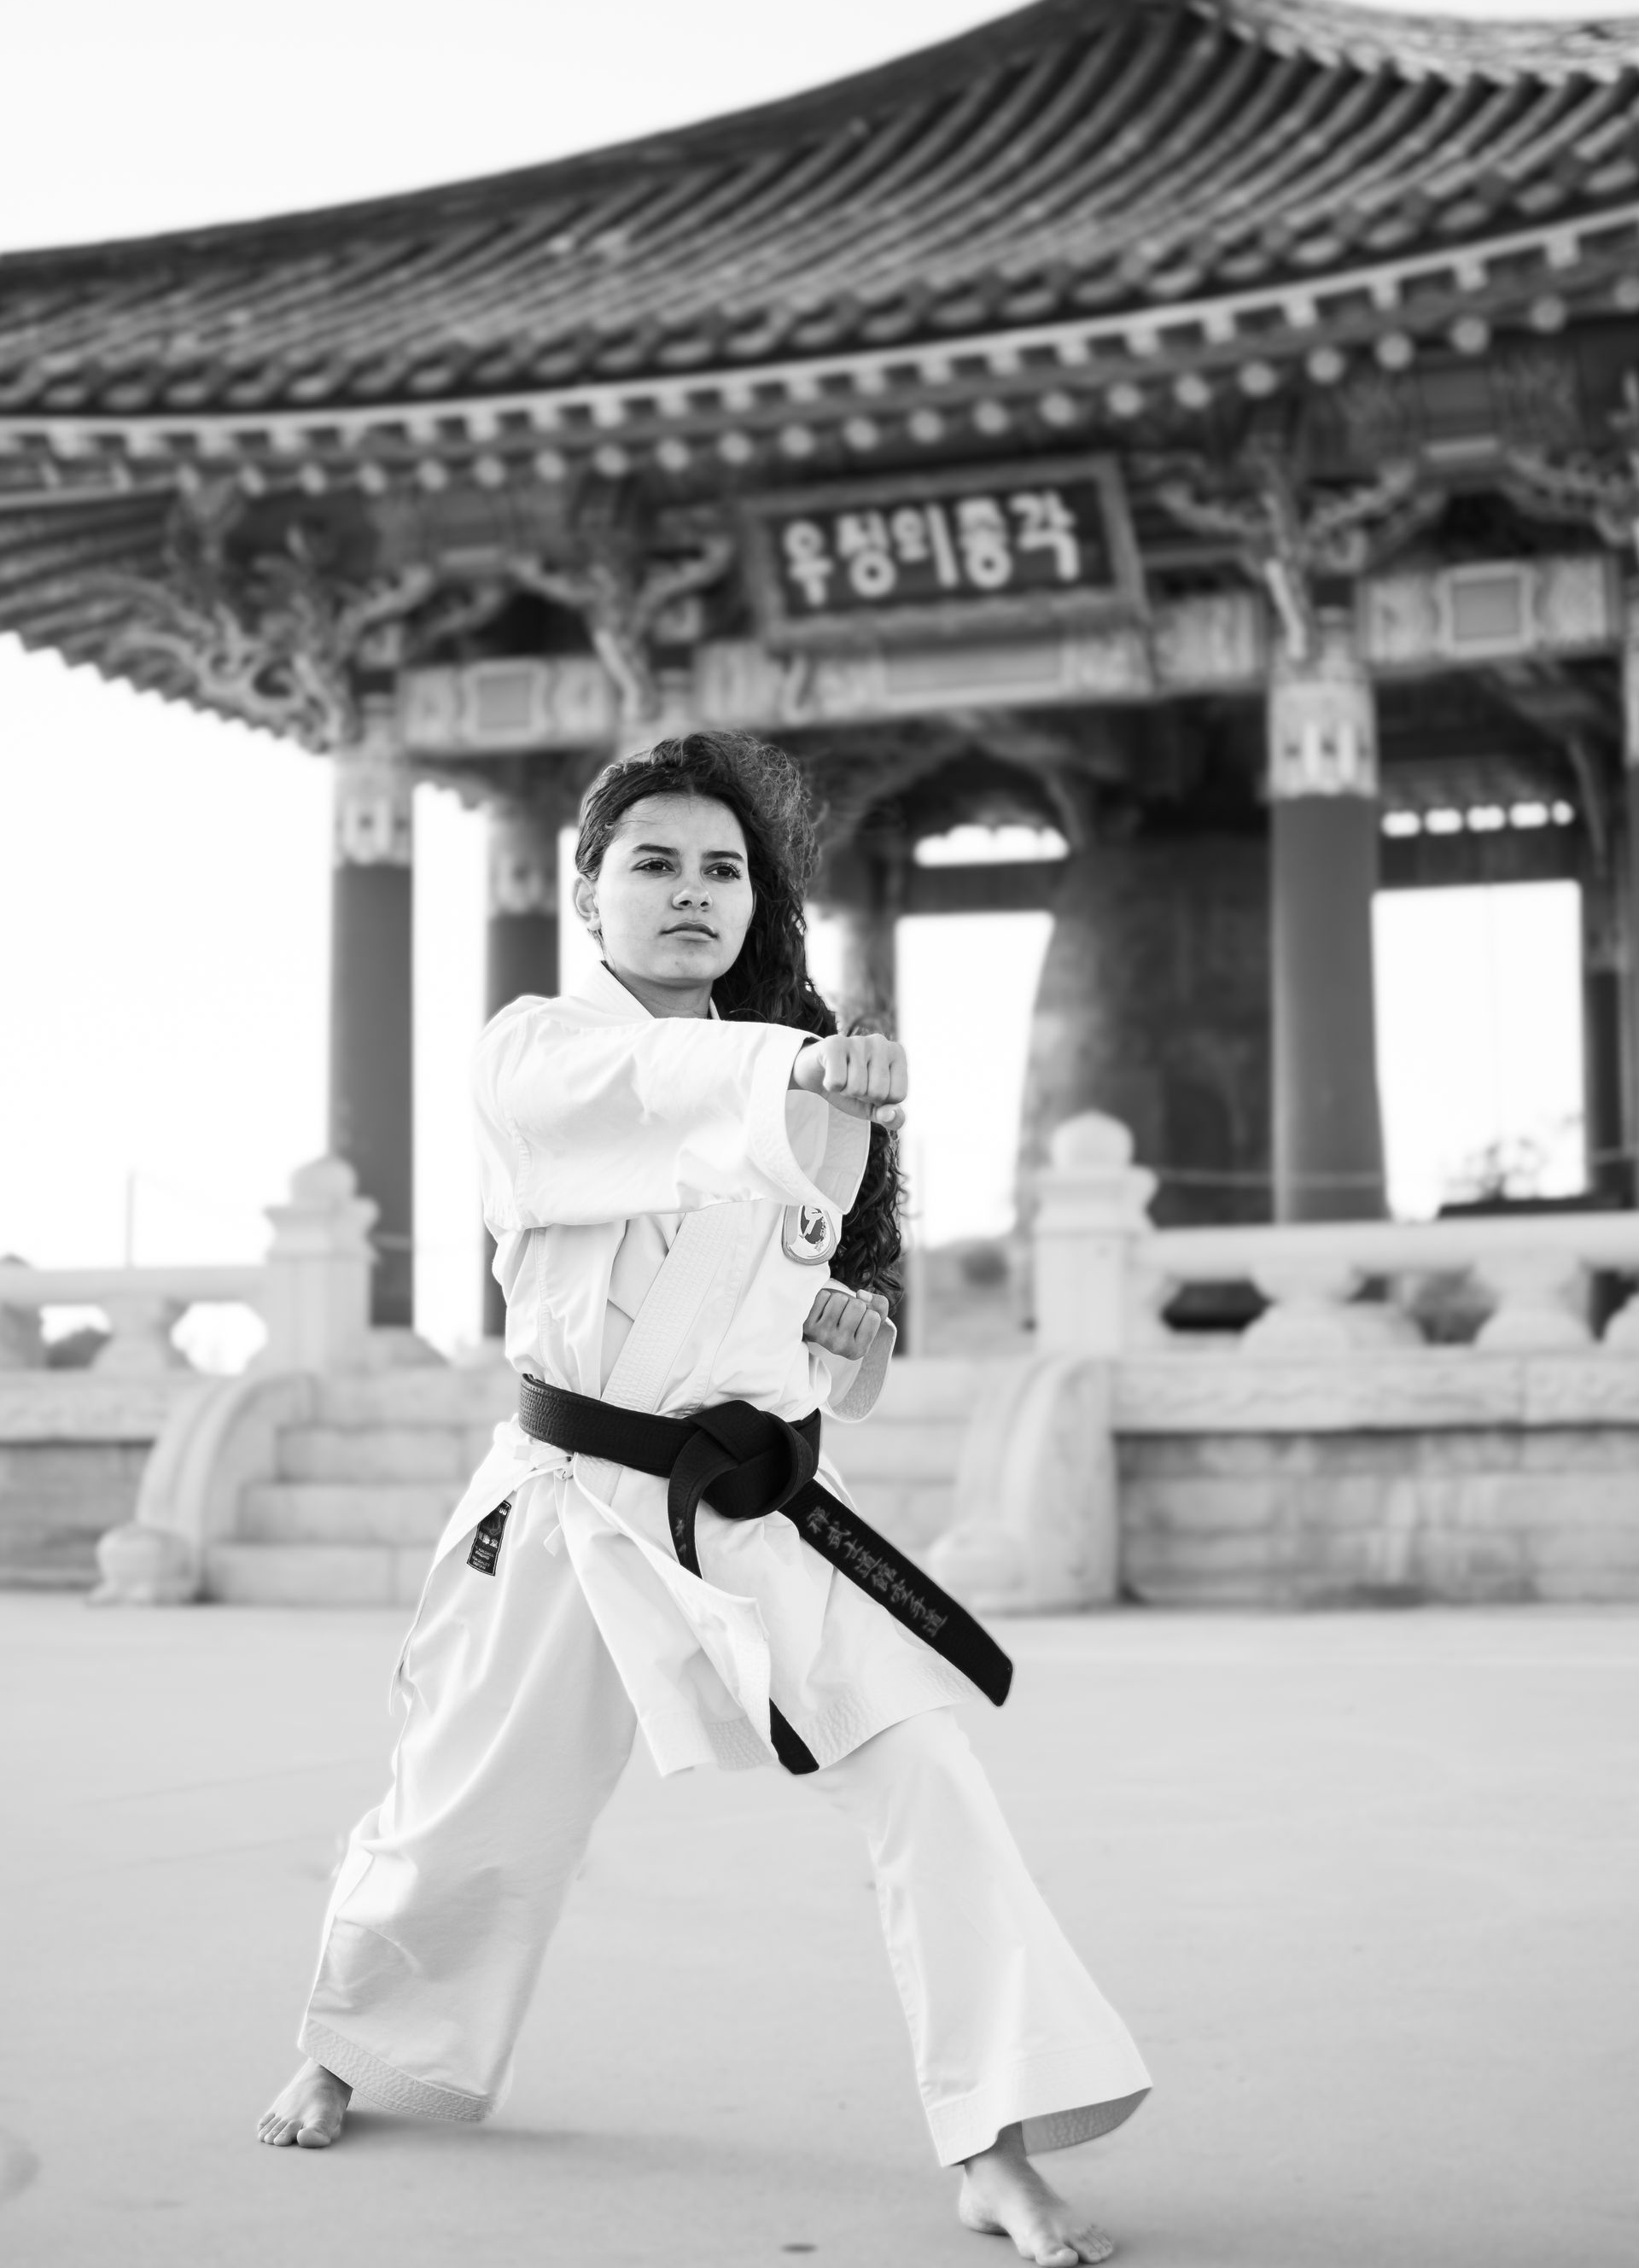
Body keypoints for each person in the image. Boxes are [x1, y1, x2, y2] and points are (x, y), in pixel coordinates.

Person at [257, 732, 1150, 2266]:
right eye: (654, 864)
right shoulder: (538, 1053)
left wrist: (844, 1350)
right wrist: (797, 1069)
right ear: (588, 894)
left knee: (928, 1772)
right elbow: (650, 1098)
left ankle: (995, 2142)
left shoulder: (798, 1085)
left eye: (724, 870)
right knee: (466, 1812)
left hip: (749, 1508)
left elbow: (788, 1342)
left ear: (756, 904)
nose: (692, 894)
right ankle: (351, 2046)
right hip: (564, 1498)